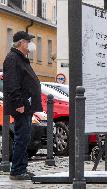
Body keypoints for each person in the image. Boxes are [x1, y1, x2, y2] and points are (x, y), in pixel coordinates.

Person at [3, 31, 42, 180]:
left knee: (25, 137)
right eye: (28, 41)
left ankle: (21, 168)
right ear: (21, 43)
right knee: (21, 136)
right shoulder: (13, 59)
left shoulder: (21, 58)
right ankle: (17, 171)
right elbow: (11, 84)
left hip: (26, 104)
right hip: (21, 105)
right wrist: (18, 103)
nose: (31, 44)